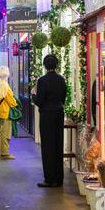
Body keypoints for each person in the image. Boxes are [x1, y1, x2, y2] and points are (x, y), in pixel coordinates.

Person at [32, 55, 67, 187]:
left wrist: (33, 95)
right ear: (56, 65)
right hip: (59, 113)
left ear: (45, 65)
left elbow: (39, 101)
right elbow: (63, 97)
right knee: (58, 144)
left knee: (47, 146)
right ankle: (59, 178)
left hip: (47, 115)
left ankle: (49, 178)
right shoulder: (61, 80)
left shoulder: (42, 81)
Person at [0, 66, 17, 160]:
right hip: (5, 111)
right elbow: (10, 100)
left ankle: (1, 152)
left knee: (1, 133)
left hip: (0, 110)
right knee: (5, 133)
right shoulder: (5, 84)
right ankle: (5, 153)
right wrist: (15, 103)